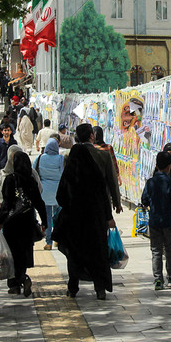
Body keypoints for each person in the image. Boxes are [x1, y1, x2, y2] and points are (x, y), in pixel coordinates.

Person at [54, 145, 116, 300]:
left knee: (74, 256)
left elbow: (60, 197)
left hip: (74, 223)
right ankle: (99, 289)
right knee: (96, 256)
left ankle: (72, 288)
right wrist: (109, 218)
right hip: (94, 222)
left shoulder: (69, 175)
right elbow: (104, 198)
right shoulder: (95, 174)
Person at [0, 152, 47, 296]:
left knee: (11, 254)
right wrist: (44, 222)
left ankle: (15, 284)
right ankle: (22, 278)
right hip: (28, 221)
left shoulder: (10, 179)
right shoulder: (31, 180)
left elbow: (6, 203)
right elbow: (39, 202)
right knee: (23, 253)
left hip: (12, 223)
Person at [141, 151, 171, 290]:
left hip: (154, 221)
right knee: (169, 249)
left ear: (156, 165)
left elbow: (144, 200)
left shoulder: (150, 182)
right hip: (168, 221)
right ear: (170, 166)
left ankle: (158, 279)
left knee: (156, 251)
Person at [75, 124, 122, 214]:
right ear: (91, 136)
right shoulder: (106, 151)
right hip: (101, 197)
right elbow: (112, 178)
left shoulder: (73, 154)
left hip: (80, 201)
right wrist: (117, 202)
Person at [33, 138, 64, 250]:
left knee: (47, 218)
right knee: (57, 216)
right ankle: (57, 239)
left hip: (44, 193)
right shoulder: (60, 158)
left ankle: (48, 242)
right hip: (57, 192)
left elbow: (33, 172)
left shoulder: (40, 158)